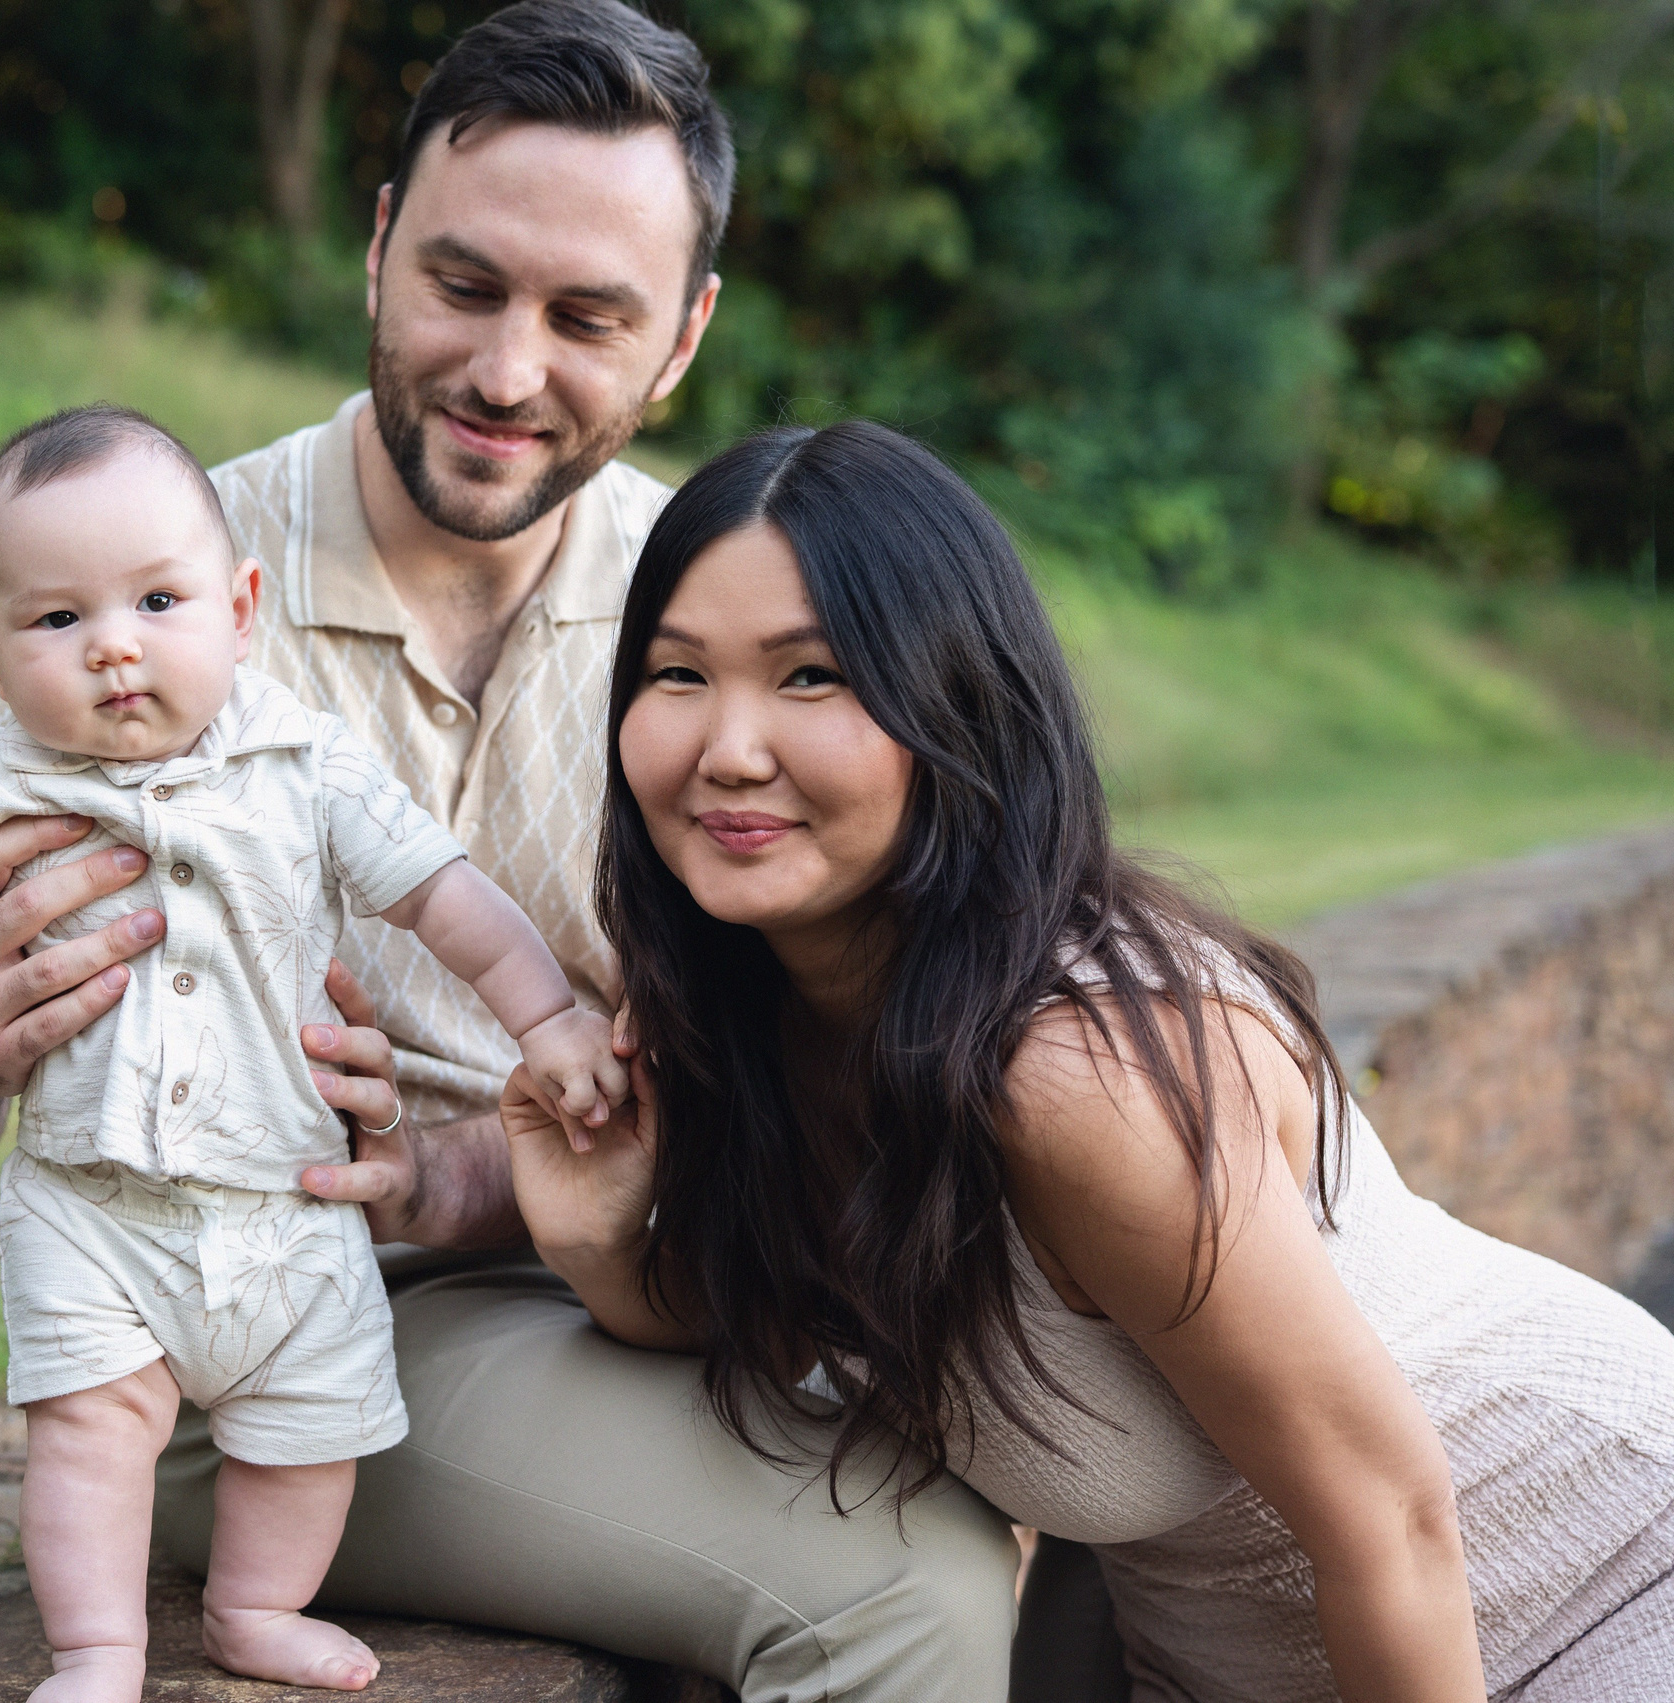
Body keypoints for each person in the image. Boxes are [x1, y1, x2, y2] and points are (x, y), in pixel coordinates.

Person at [0, 1, 1023, 1696]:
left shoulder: (713, 609)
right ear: (379, 248)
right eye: (465, 285)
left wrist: (519, 1171)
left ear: (683, 338)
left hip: (648, 1274)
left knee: (1074, 1475)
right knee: (913, 1585)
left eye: (588, 316)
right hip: (265, 1348)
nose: (508, 369)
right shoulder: (125, 583)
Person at [506, 418, 1674, 1701]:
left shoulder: (1075, 1071)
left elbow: (1390, 1515)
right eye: (677, 674)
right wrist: (603, 1240)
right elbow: (768, 1324)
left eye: (811, 676)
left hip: (1589, 1578)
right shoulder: (772, 1010)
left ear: (952, 700)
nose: (727, 746)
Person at [0, 403, 624, 1702]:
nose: (115, 645)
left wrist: (554, 1020)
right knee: (91, 1427)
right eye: (58, 619)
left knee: (310, 1434)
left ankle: (255, 1608)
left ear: (241, 605)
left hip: (291, 1204)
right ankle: (97, 1650)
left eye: (157, 600)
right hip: (93, 1207)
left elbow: (449, 897)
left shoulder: (305, 760)